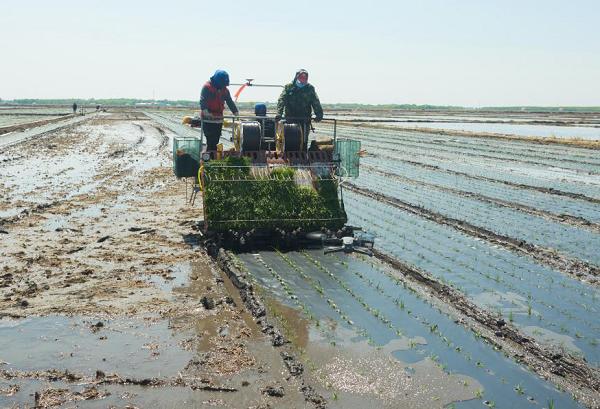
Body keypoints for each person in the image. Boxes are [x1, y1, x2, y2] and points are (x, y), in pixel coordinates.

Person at [276, 69, 323, 151]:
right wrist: (279, 113)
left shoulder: (310, 88)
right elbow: (281, 100)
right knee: (289, 138)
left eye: (305, 77)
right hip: (290, 118)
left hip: (305, 119)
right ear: (297, 77)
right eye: (301, 77)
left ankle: (303, 156)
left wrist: (319, 114)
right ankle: (288, 156)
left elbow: (315, 101)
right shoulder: (289, 87)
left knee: (303, 140)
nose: (303, 79)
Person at [200, 70, 239, 151]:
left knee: (216, 139)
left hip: (218, 119)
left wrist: (236, 112)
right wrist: (206, 112)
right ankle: (210, 157)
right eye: (222, 84)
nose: (223, 86)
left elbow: (229, 102)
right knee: (211, 140)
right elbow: (203, 102)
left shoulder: (225, 90)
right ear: (217, 82)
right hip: (208, 120)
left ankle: (212, 155)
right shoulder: (207, 88)